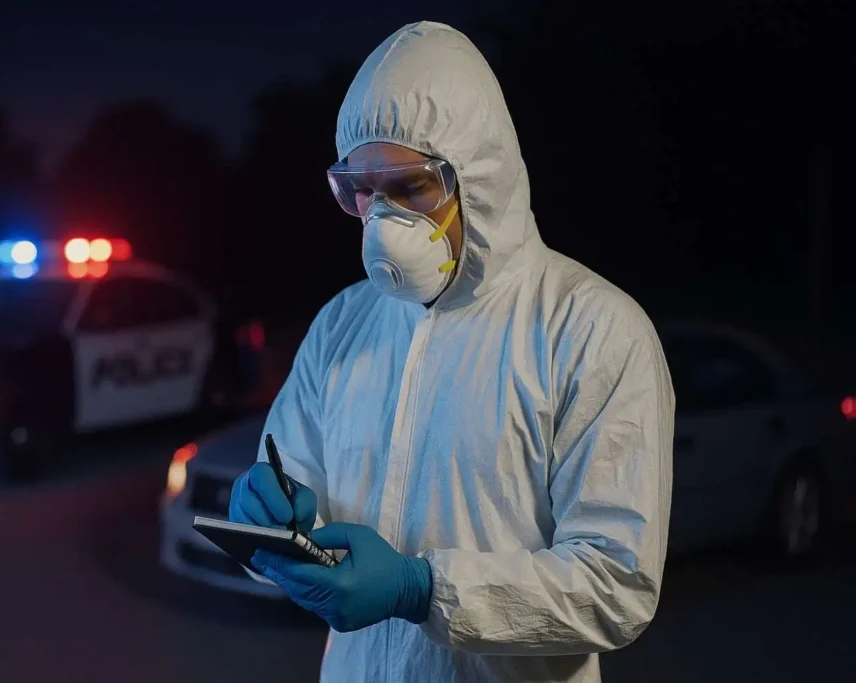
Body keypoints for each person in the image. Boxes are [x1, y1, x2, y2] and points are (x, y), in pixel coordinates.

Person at [228, 20, 674, 683]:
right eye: (363, 191)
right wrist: (272, 522)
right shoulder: (343, 326)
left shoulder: (591, 330)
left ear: (479, 176)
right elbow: (298, 494)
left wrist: (424, 588)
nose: (382, 221)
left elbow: (615, 583)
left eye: (409, 188)